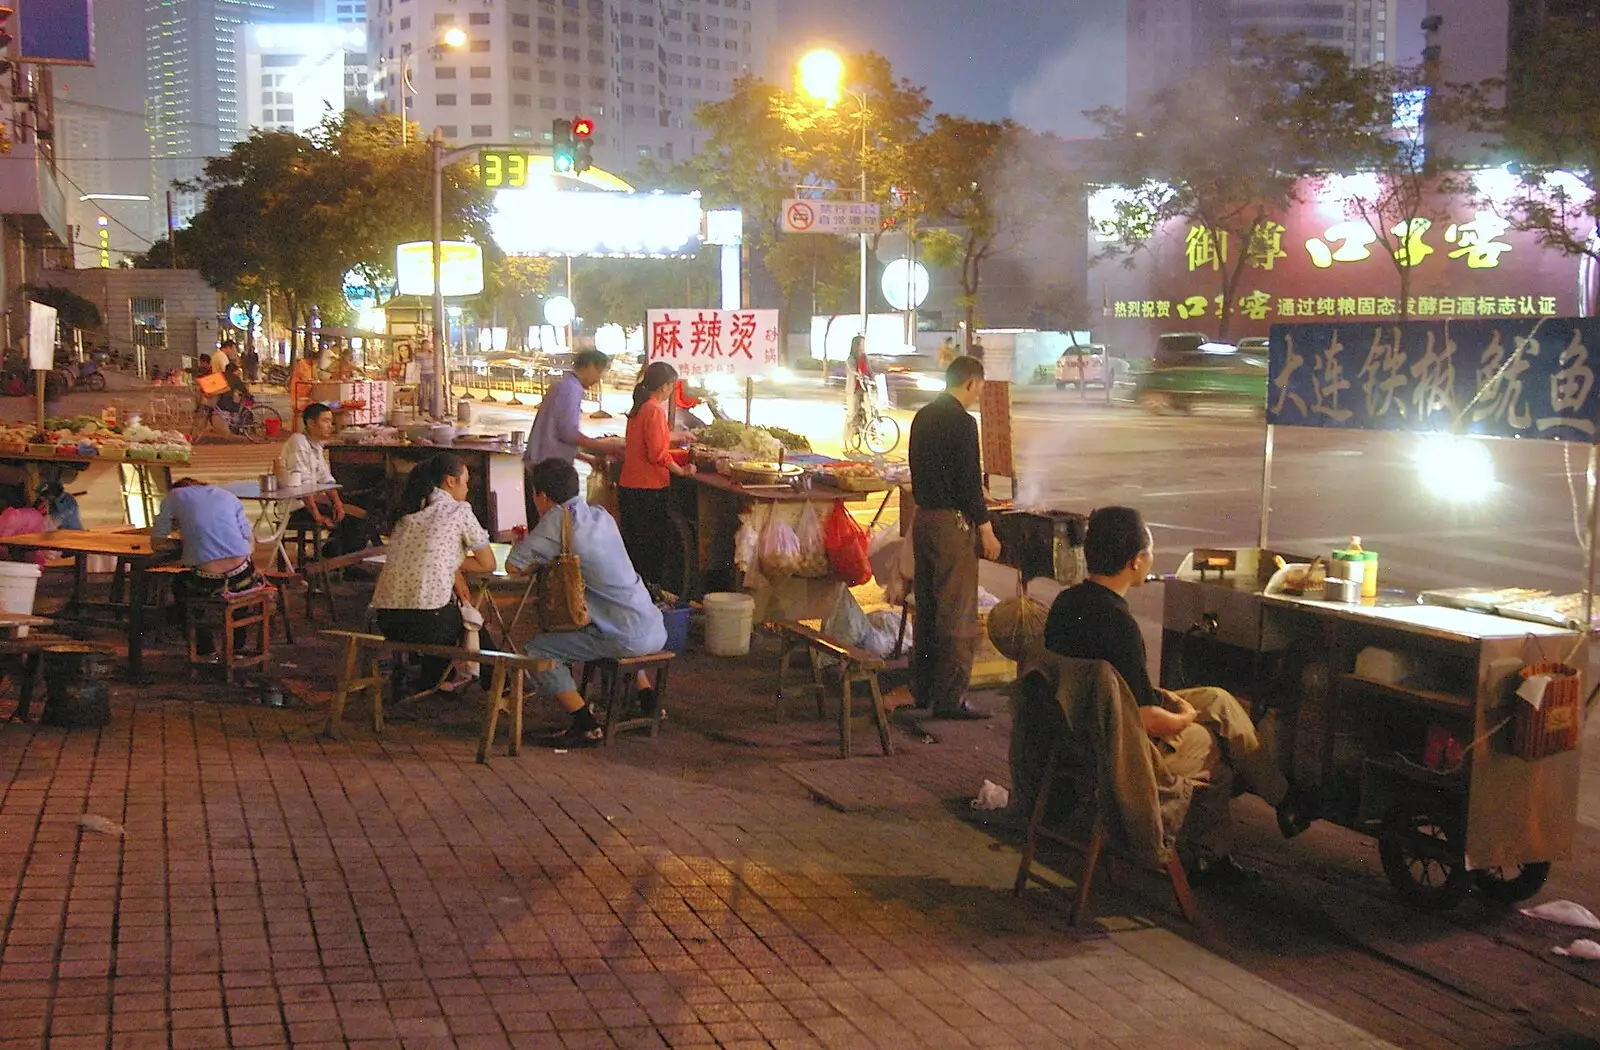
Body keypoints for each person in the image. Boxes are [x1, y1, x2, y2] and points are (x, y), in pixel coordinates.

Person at [1042, 506, 1301, 886]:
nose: (1151, 560)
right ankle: (1212, 857)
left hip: (1077, 725)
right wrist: (1184, 719)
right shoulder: (1120, 625)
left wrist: (1175, 704)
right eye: (1149, 552)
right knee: (1216, 749)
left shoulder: (1067, 604)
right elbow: (1145, 720)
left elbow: (1126, 691)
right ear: (1134, 561)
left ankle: (1283, 799)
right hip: (1117, 745)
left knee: (1218, 700)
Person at [508, 458, 668, 748]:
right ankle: (646, 699)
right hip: (653, 625)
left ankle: (584, 723)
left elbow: (513, 566)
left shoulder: (557, 518)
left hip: (623, 636)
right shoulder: (601, 515)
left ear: (542, 496)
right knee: (610, 624)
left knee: (538, 649)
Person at [906, 355, 1002, 719]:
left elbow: (928, 469)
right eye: (979, 387)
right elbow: (965, 480)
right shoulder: (962, 423)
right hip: (951, 526)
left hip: (924, 520)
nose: (979, 394)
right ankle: (951, 700)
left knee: (928, 609)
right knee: (957, 613)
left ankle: (923, 690)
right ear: (971, 383)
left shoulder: (923, 416)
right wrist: (987, 528)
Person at [370, 453, 496, 694]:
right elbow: (487, 563)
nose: (467, 489)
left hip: (386, 619)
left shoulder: (406, 516)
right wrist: (456, 565)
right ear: (450, 481)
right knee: (469, 620)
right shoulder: (459, 511)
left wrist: (453, 566)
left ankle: (432, 682)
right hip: (428, 622)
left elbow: (431, 555)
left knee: (446, 613)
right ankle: (502, 685)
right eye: (465, 482)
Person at [151, 478, 262, 656]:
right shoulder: (228, 496)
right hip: (243, 576)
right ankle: (237, 649)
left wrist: (187, 543)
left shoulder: (173, 496)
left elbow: (157, 543)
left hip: (208, 581)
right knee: (242, 592)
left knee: (180, 585)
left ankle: (205, 650)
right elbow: (250, 544)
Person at [618, 360, 696, 590]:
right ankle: (651, 598)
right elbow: (658, 454)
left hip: (630, 486)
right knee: (650, 550)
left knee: (635, 549)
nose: (672, 390)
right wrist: (682, 470)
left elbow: (652, 439)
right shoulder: (653, 410)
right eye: (672, 386)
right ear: (664, 386)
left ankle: (637, 597)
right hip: (648, 490)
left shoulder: (640, 408)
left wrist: (678, 436)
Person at [523, 348, 619, 524]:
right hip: (548, 467)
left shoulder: (564, 386)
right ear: (589, 366)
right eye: (599, 371)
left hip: (544, 462)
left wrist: (586, 458)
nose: (598, 379)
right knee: (553, 525)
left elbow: (557, 435)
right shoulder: (571, 389)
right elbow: (567, 433)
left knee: (549, 523)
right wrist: (604, 446)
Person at [282, 403, 367, 555]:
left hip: (313, 500)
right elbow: (304, 485)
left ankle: (339, 559)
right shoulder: (298, 442)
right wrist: (317, 516)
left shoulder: (316, 445)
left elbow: (326, 479)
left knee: (359, 510)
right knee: (354, 520)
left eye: (331, 421)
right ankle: (334, 560)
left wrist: (338, 504)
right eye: (325, 421)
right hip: (298, 506)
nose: (331, 425)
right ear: (310, 423)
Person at [289, 348, 318, 429]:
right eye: (315, 360)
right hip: (298, 388)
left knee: (306, 409)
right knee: (297, 410)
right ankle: (295, 429)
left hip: (307, 390)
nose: (315, 362)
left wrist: (317, 380)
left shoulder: (312, 366)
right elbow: (303, 377)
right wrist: (310, 381)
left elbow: (315, 376)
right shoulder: (302, 364)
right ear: (310, 358)